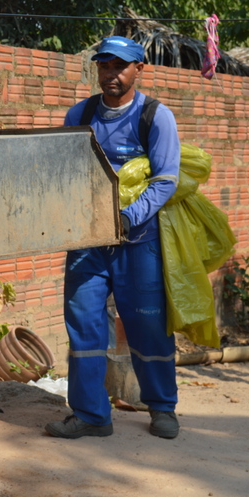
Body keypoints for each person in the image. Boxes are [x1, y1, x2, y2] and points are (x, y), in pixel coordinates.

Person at [45, 36, 181, 440]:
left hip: (138, 243)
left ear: (139, 69)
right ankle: (90, 415)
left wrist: (125, 218)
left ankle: (161, 407)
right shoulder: (80, 114)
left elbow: (165, 181)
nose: (111, 74)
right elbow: (64, 171)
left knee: (147, 327)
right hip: (87, 244)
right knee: (84, 326)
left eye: (120, 66)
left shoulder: (155, 117)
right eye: (104, 66)